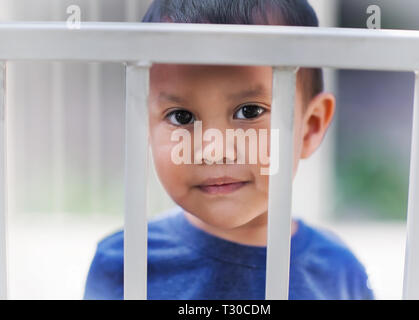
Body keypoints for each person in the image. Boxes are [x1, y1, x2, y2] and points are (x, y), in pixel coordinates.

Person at [84, 0, 375, 300]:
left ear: (310, 127)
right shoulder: (123, 264)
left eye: (249, 111)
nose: (214, 150)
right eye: (181, 116)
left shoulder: (337, 274)